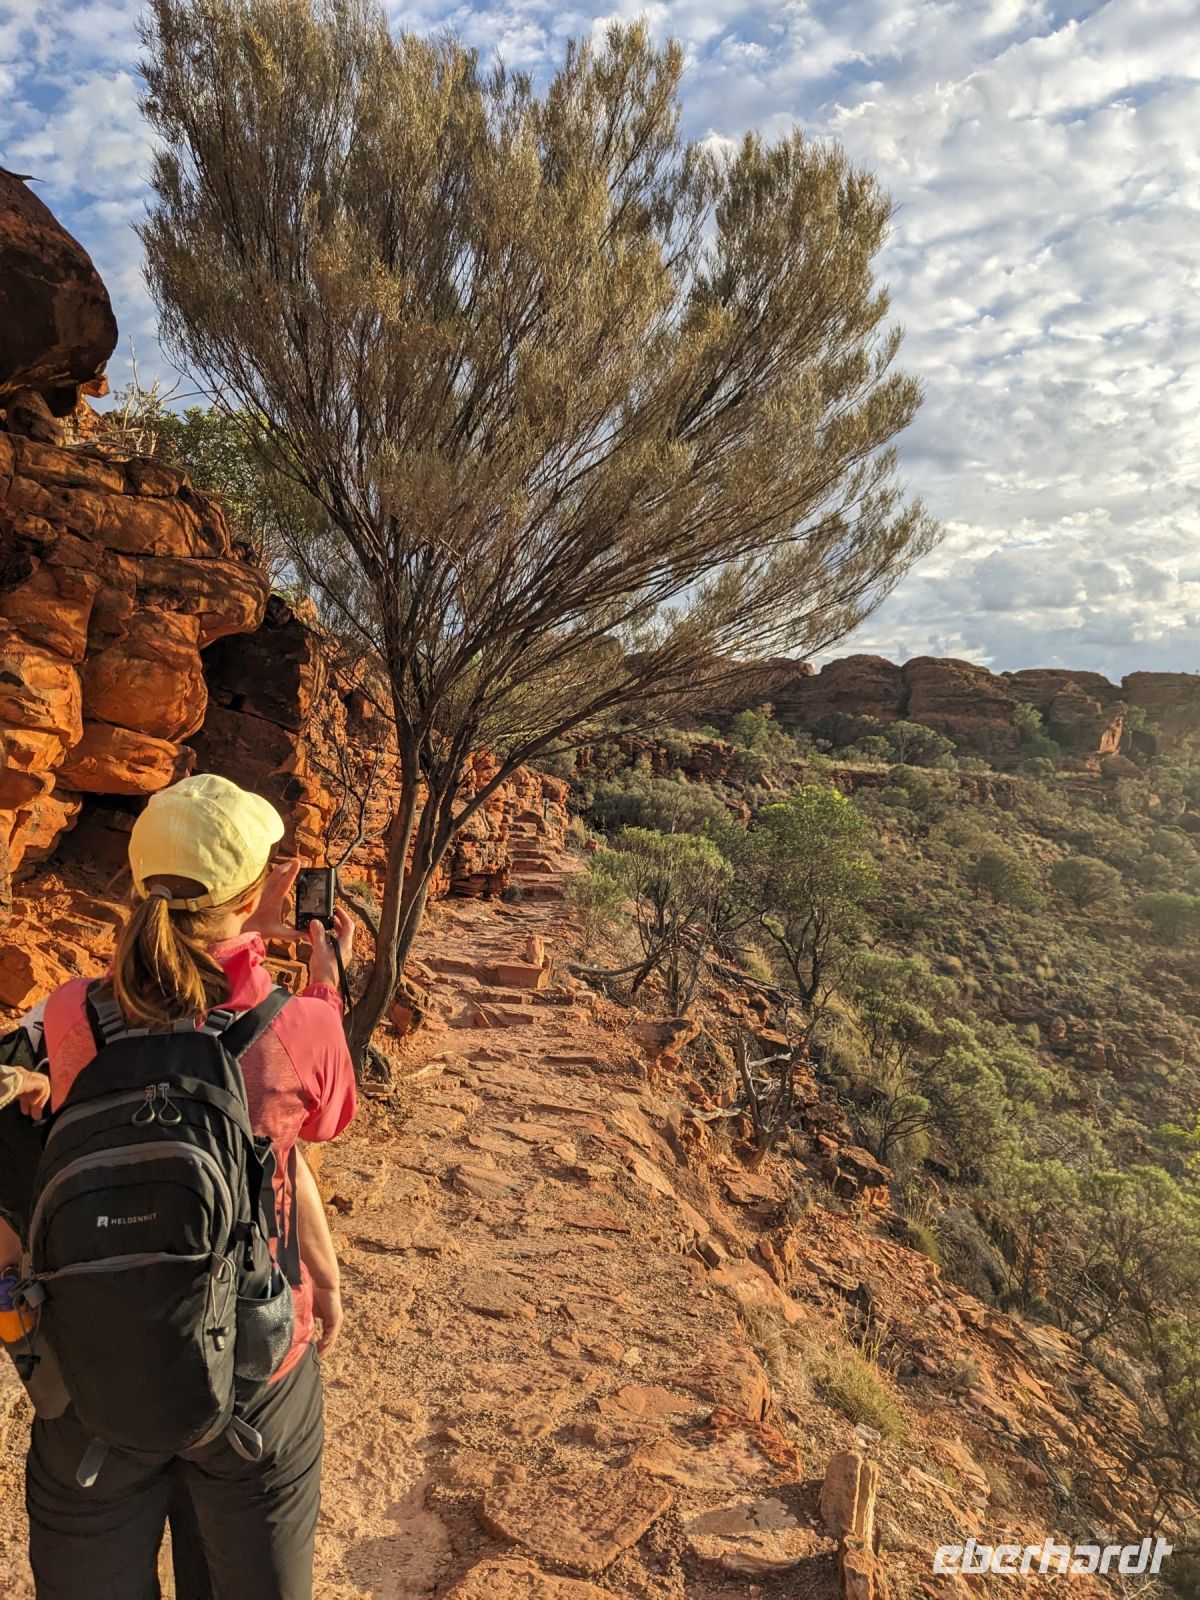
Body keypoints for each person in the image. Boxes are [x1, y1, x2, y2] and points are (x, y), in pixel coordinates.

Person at [26, 773, 356, 1600]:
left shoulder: (70, 1014)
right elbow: (321, 1123)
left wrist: (239, 925)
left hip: (97, 1369)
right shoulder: (301, 1024)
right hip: (253, 1375)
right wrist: (323, 982)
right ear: (251, 893)